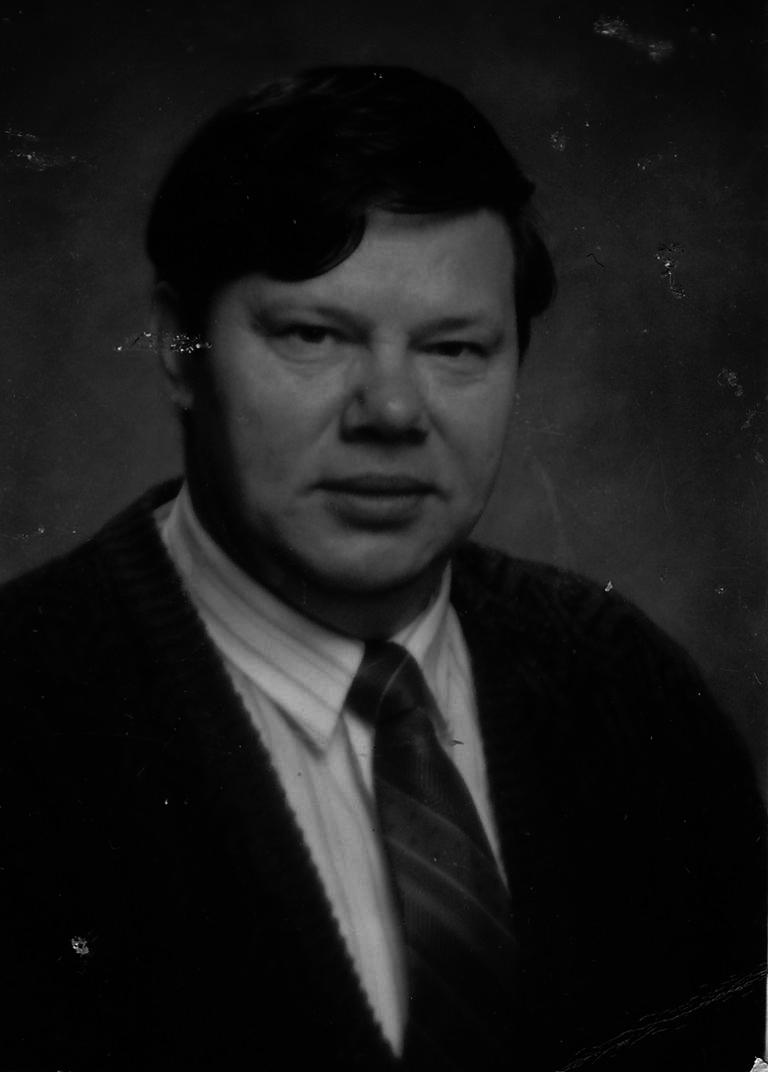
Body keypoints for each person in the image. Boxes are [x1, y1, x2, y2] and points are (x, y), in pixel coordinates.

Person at [0, 66, 764, 1072]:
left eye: (456, 349)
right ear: (181, 351)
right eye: (315, 336)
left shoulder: (631, 689)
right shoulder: (20, 717)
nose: (393, 411)